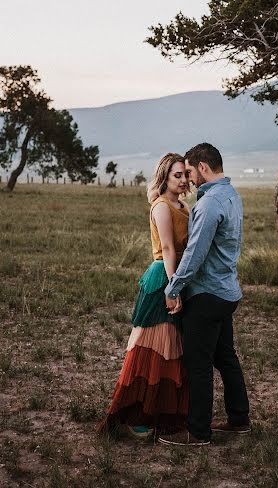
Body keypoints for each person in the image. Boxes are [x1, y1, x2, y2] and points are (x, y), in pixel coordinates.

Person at [157, 143, 251, 447]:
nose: (189, 179)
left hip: (208, 294)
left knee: (198, 364)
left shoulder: (209, 203)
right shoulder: (232, 196)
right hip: (227, 292)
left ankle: (197, 432)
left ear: (203, 168)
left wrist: (174, 287)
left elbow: (195, 253)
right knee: (226, 357)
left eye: (191, 171)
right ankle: (239, 420)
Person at [97, 153, 190, 439]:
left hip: (177, 275)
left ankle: (163, 413)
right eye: (177, 175)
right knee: (151, 348)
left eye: (186, 175)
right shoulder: (161, 206)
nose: (184, 180)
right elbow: (169, 249)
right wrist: (172, 289)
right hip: (163, 276)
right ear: (164, 176)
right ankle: (137, 416)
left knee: (171, 349)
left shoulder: (183, 205)